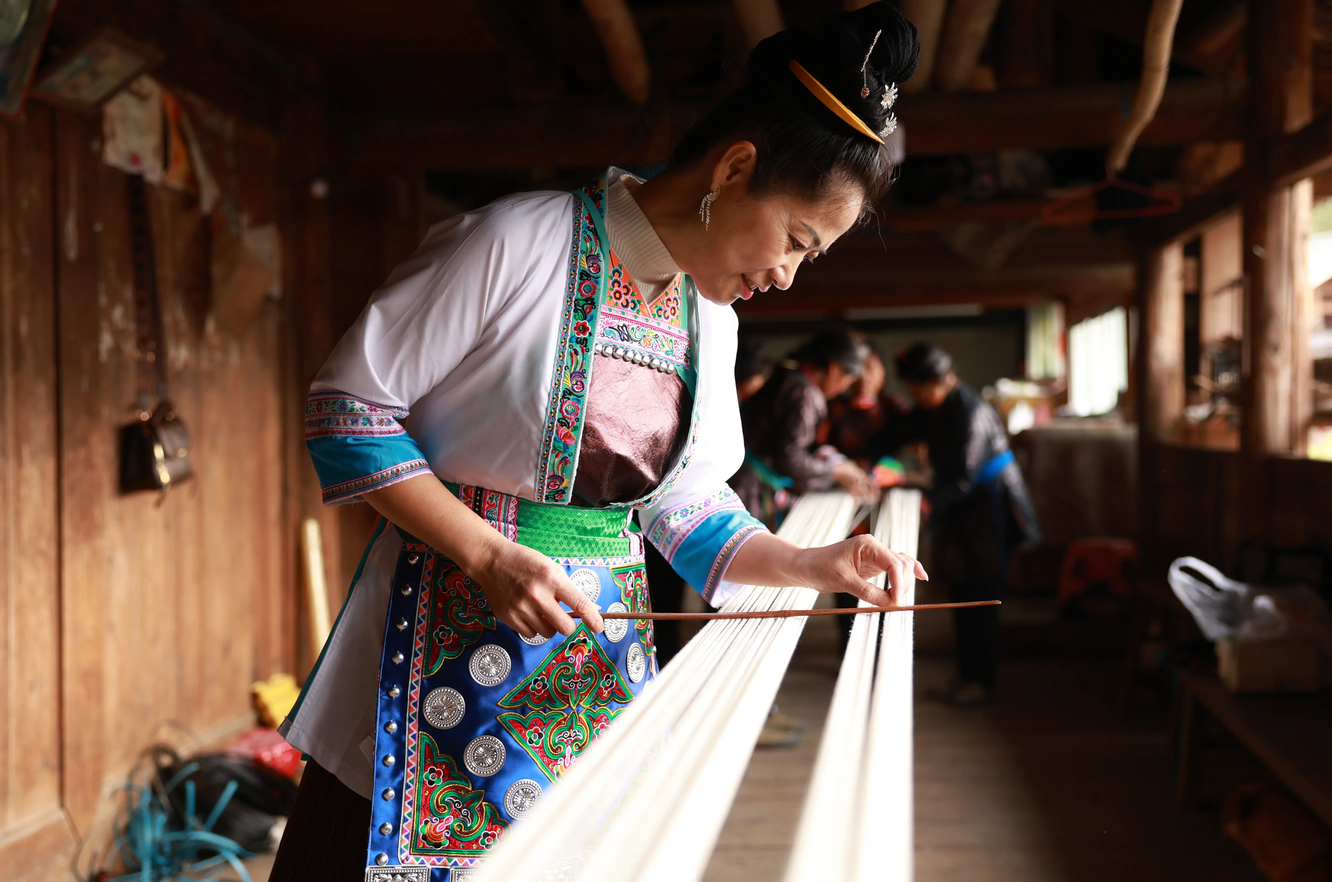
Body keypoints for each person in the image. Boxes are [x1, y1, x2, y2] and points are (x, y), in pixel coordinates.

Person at [271, 5, 924, 880]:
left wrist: (812, 565)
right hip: (437, 648)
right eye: (798, 242)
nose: (786, 275)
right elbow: (348, 413)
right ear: (735, 168)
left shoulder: (711, 320)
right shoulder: (513, 245)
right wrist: (489, 557)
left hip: (593, 665)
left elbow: (680, 505)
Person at [872, 343, 1040, 706]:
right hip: (964, 506)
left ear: (941, 381)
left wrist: (927, 502)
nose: (916, 397)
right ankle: (967, 676)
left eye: (919, 390)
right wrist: (865, 459)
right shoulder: (933, 407)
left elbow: (963, 477)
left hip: (989, 506)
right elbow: (899, 433)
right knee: (962, 589)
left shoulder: (970, 412)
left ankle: (980, 680)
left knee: (980, 593)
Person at [730, 329, 878, 524]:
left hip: (736, 477)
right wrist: (836, 471)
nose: (844, 388)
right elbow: (790, 458)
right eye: (848, 380)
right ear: (834, 369)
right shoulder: (805, 393)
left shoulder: (785, 376)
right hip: (751, 491)